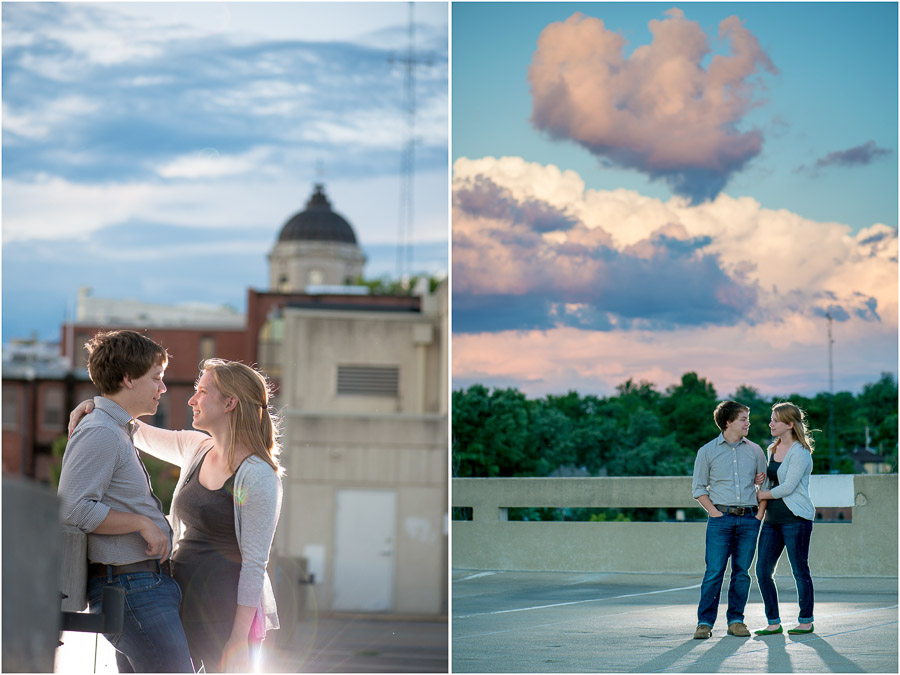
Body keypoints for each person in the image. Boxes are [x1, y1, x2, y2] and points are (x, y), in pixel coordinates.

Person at [70, 358, 284, 673]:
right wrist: (95, 406)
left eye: (202, 392)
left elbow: (254, 565)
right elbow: (135, 430)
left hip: (221, 615)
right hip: (175, 601)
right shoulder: (196, 448)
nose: (191, 399)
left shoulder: (257, 475)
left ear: (230, 402)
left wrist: (238, 639)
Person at [57, 330, 194, 673]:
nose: (162, 388)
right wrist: (142, 523)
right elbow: (72, 508)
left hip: (139, 587)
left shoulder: (115, 428)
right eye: (156, 379)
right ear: (128, 379)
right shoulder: (101, 431)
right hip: (131, 589)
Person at [691, 400, 767, 639]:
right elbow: (698, 489)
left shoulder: (755, 451)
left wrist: (759, 514)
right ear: (728, 422)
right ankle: (704, 623)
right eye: (743, 419)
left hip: (749, 520)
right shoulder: (707, 452)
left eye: (748, 419)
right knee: (714, 571)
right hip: (720, 520)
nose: (748, 423)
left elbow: (764, 487)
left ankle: (736, 621)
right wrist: (714, 512)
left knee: (742, 572)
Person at [753, 402, 816, 636]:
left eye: (775, 420)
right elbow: (771, 482)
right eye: (771, 419)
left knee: (799, 570)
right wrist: (761, 482)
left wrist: (761, 494)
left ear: (790, 424)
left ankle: (806, 620)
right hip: (772, 521)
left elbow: (788, 487)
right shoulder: (772, 449)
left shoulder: (800, 452)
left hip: (796, 519)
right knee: (762, 571)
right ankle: (773, 621)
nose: (771, 423)